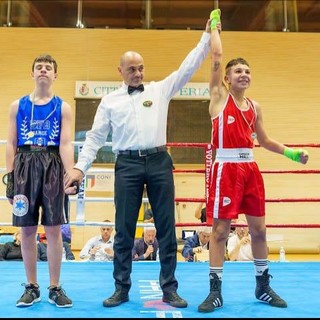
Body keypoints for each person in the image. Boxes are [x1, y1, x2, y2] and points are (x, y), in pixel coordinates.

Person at [64, 18, 212, 309]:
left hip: (159, 161)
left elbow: (188, 68)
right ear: (120, 71)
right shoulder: (109, 101)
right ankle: (121, 289)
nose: (138, 73)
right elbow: (94, 139)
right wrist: (81, 168)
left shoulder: (160, 90)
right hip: (127, 165)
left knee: (167, 228)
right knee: (124, 227)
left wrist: (206, 37)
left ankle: (169, 288)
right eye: (132, 69)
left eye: (141, 68)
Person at [198, 9, 309, 313]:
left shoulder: (254, 107)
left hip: (250, 170)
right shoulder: (219, 98)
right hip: (226, 170)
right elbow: (217, 57)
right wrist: (215, 28)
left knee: (258, 230)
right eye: (238, 71)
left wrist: (291, 153)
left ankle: (263, 286)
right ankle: (215, 290)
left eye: (247, 71)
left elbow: (266, 140)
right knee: (221, 231)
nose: (244, 75)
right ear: (227, 78)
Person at [5, 54, 75, 308]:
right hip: (24, 164)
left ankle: (55, 287)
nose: (43, 70)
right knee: (26, 230)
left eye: (48, 68)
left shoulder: (63, 107)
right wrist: (10, 179)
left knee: (54, 229)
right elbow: (11, 144)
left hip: (53, 165)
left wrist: (71, 175)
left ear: (55, 75)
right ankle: (32, 286)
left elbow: (66, 144)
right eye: (39, 67)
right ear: (32, 73)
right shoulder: (17, 106)